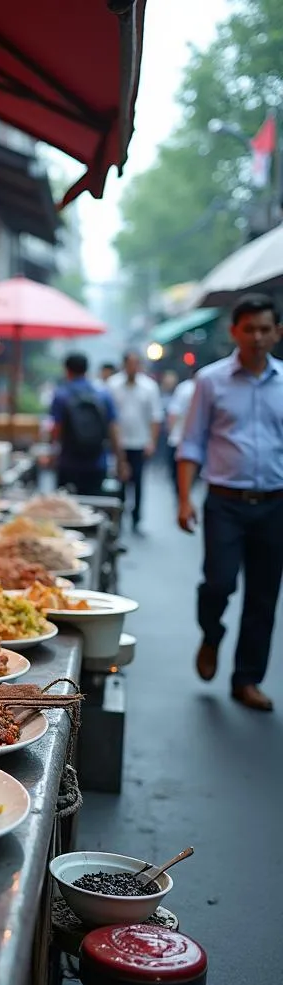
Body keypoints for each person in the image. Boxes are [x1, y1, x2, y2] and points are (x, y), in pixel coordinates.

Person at [177, 293, 283, 713]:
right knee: (218, 583)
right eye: (249, 329)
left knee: (264, 595)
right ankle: (211, 633)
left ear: (278, 332)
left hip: (275, 504)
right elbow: (192, 443)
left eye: (265, 329)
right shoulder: (211, 381)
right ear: (234, 331)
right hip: (224, 501)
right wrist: (185, 499)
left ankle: (247, 680)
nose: (258, 337)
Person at [49, 353, 125, 495]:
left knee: (67, 508)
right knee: (94, 506)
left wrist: (52, 455)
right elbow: (113, 428)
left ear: (67, 370)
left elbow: (56, 429)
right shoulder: (103, 394)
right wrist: (120, 460)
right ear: (87, 369)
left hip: (68, 462)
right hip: (97, 461)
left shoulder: (61, 394)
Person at [107, 351, 164, 533]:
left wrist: (152, 441)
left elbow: (155, 417)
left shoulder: (149, 387)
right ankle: (119, 515)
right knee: (119, 481)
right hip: (119, 443)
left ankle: (136, 517)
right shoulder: (113, 384)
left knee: (138, 481)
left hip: (140, 442)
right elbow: (110, 416)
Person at [165, 370, 196, 480]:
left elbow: (173, 413)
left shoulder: (184, 388)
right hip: (195, 441)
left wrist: (170, 433)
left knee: (177, 474)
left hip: (179, 438)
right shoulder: (204, 388)